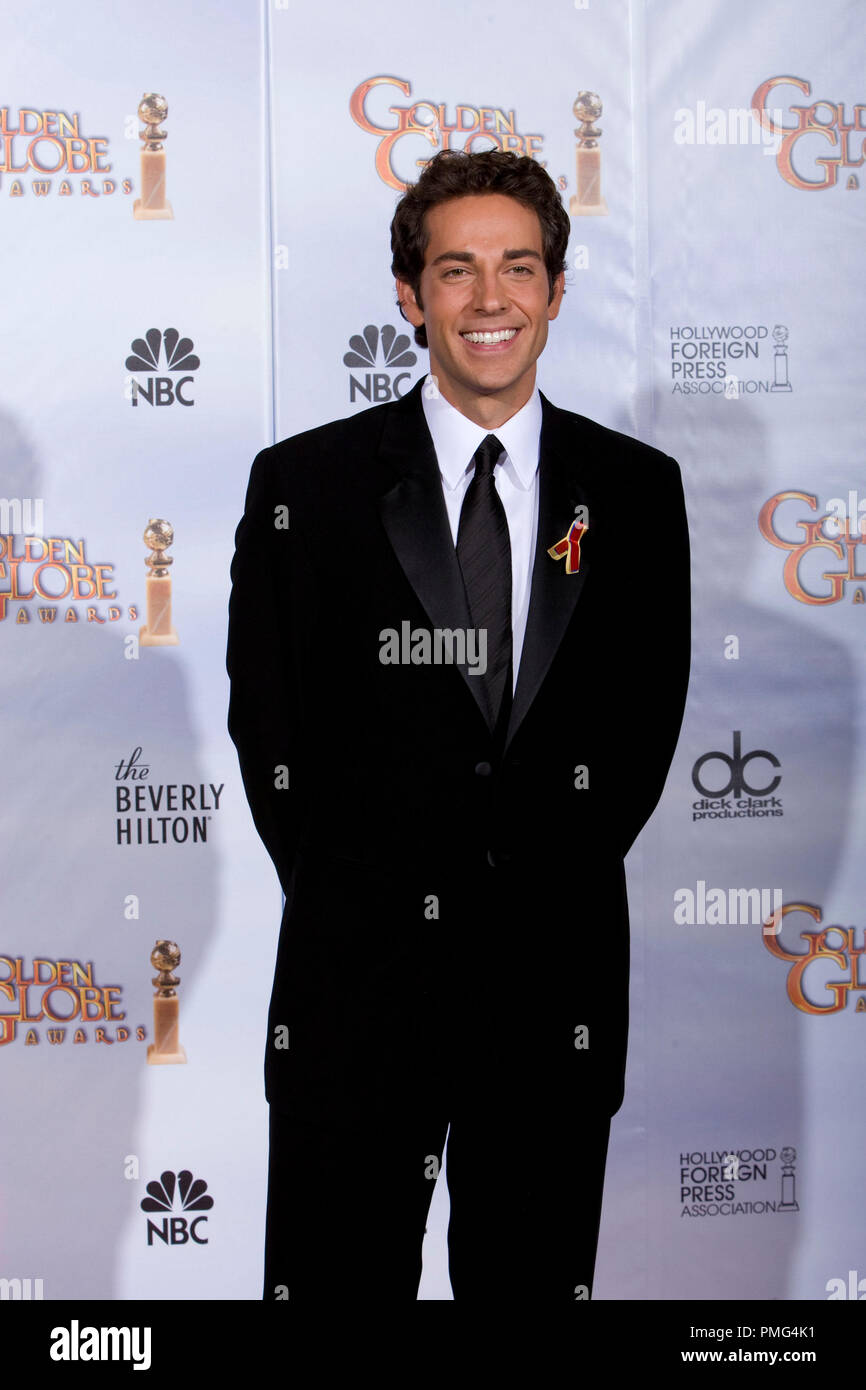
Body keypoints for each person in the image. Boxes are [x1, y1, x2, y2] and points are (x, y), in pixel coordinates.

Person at [227, 148, 690, 1303]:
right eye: (456, 270)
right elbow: (273, 735)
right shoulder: (308, 487)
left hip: (548, 995)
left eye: (517, 268)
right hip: (357, 992)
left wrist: (525, 893)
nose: (490, 300)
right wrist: (364, 900)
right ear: (408, 294)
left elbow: (635, 738)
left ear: (556, 289)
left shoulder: (634, 490)